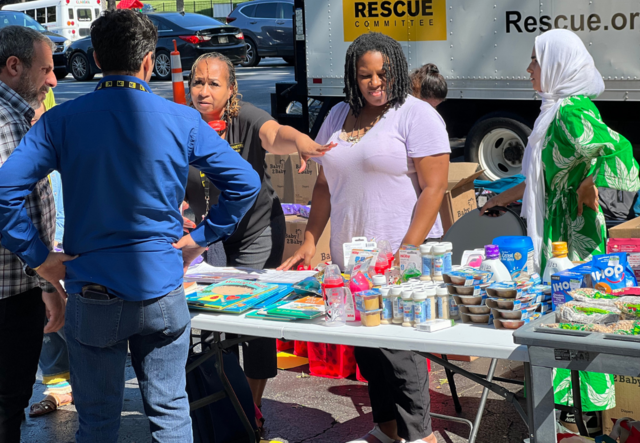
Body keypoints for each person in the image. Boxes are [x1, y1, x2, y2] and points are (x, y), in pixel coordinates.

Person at [0, 10, 261, 443]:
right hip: (161, 289)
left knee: (98, 424)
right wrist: (199, 239)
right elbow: (245, 182)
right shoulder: (181, 119)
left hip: (95, 293)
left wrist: (40, 258)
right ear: (146, 62)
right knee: (171, 417)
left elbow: (5, 191)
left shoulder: (61, 120)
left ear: (97, 57)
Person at [280, 32, 450, 443]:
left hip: (401, 258)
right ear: (352, 78)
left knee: (400, 353)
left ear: (397, 69)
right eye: (365, 75)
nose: (375, 83)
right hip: (355, 262)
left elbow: (434, 187)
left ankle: (420, 436)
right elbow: (324, 183)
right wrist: (310, 239)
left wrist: (406, 252)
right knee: (369, 351)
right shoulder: (338, 115)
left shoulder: (415, 115)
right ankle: (387, 430)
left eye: (383, 73)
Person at [480, 29, 640, 422]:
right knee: (560, 312)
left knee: (579, 312)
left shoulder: (571, 112)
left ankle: (585, 413)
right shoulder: (552, 110)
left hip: (574, 228)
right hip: (556, 223)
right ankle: (567, 408)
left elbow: (622, 153)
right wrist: (504, 197)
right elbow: (543, 174)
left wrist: (592, 181)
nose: (530, 69)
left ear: (556, 65)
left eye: (536, 61)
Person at [185, 52, 334, 410]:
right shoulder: (182, 122)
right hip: (208, 233)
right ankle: (221, 404)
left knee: (250, 318)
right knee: (207, 320)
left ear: (232, 89)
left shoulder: (244, 117)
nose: (203, 91)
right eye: (197, 82)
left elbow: (275, 134)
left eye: (213, 83)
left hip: (258, 229)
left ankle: (250, 410)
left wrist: (299, 140)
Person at [0, 26, 62, 443]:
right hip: (7, 295)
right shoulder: (4, 121)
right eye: (47, 69)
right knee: (8, 404)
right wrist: (44, 267)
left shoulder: (18, 115)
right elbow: (9, 207)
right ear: (14, 66)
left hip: (18, 287)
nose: (53, 80)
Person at [26, 90, 74, 418]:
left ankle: (85, 381)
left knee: (79, 317)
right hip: (43, 252)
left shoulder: (60, 147)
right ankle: (58, 385)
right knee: (51, 323)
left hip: (68, 244)